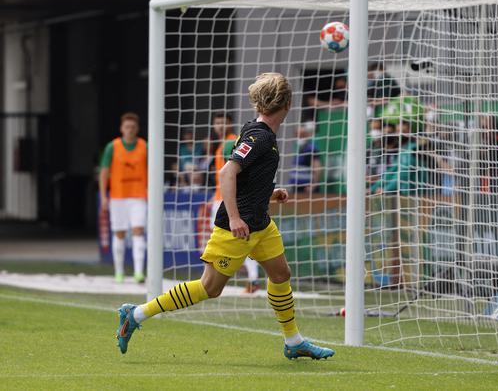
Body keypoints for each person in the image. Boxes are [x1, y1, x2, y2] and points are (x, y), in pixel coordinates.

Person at [116, 73, 335, 360]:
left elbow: (246, 180)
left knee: (281, 274)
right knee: (209, 288)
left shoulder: (257, 131)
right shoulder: (259, 136)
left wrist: (270, 193)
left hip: (260, 223)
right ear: (287, 104)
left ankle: (293, 342)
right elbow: (227, 172)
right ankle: (136, 314)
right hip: (238, 228)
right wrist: (234, 218)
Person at [211, 114, 260, 294]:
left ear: (230, 124)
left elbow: (234, 174)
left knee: (230, 240)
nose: (220, 125)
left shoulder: (230, 143)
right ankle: (250, 279)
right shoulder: (223, 143)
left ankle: (249, 279)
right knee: (233, 241)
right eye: (217, 122)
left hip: (226, 200)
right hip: (220, 197)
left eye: (223, 121)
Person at [99, 112, 148, 284]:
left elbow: (152, 169)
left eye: (133, 127)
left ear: (137, 129)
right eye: (127, 127)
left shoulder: (144, 146)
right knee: (119, 233)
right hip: (118, 196)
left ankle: (138, 272)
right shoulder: (112, 147)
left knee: (138, 231)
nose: (130, 130)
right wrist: (104, 196)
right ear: (121, 128)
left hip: (138, 196)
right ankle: (119, 272)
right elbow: (103, 172)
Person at [288, 121, 322, 194]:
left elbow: (317, 169)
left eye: (302, 135)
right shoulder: (295, 148)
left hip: (306, 188)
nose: (299, 137)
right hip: (295, 187)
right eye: (297, 135)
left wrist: (313, 186)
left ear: (307, 135)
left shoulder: (311, 149)